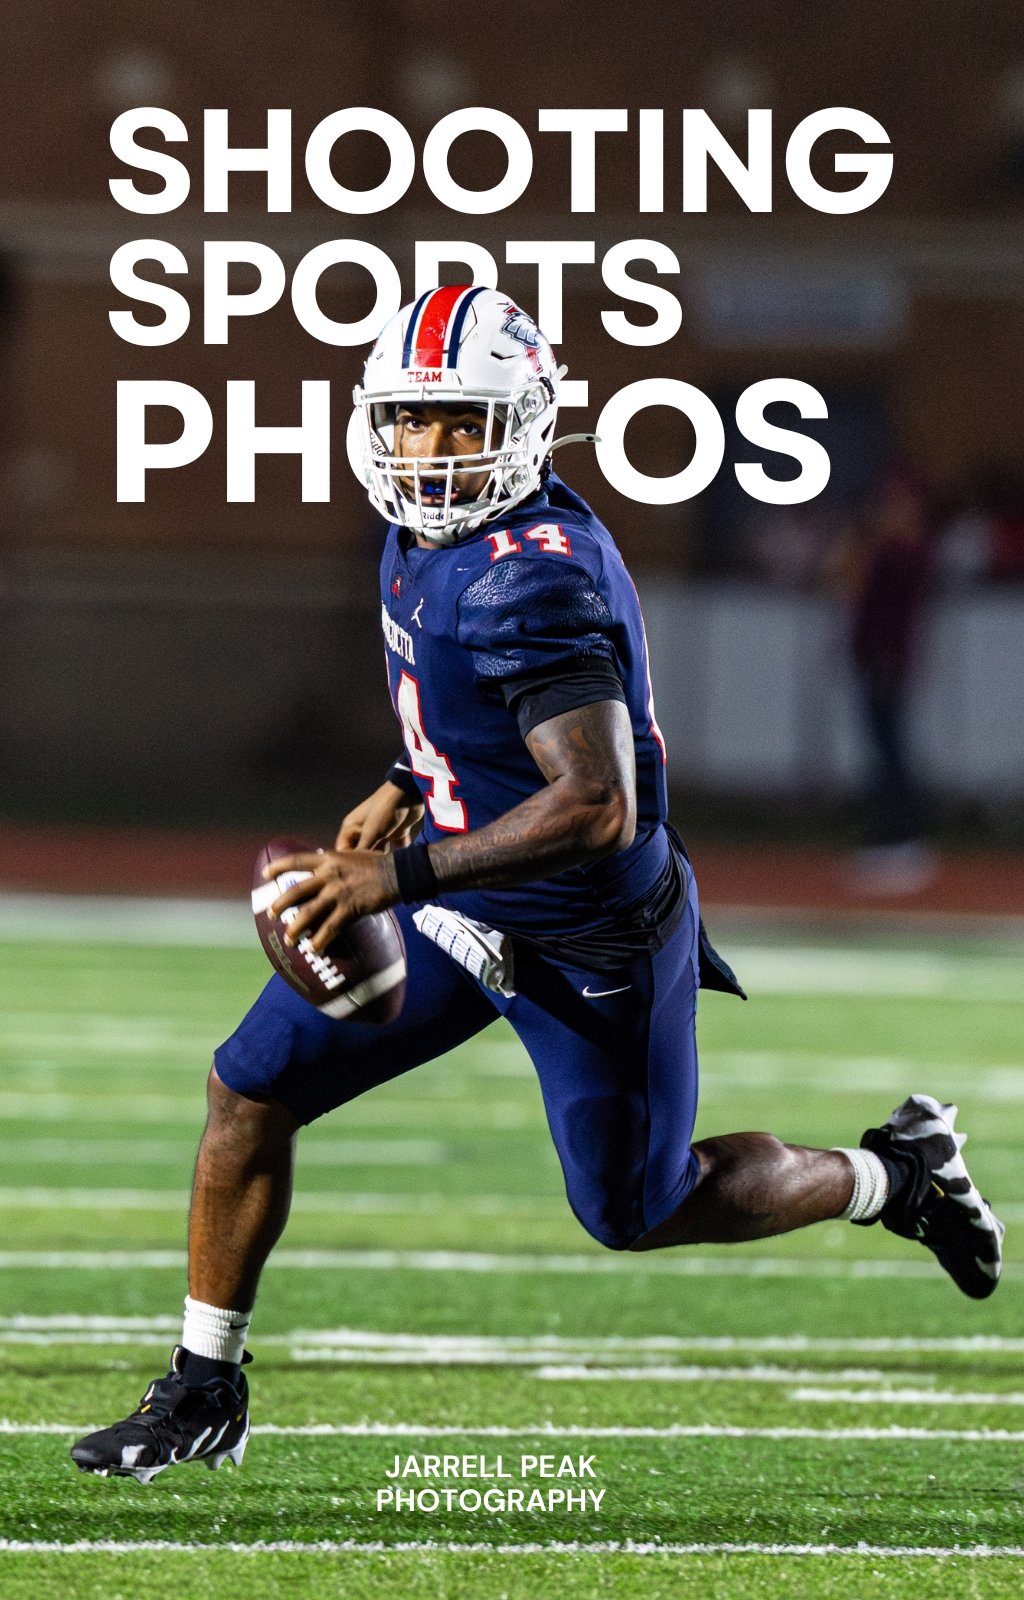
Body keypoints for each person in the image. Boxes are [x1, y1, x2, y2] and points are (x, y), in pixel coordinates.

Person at [71, 288, 1004, 1485]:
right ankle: (205, 1386)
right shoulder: (426, 535)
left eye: (460, 423)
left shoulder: (531, 579)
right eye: (410, 421)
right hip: (464, 903)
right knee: (248, 1089)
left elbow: (592, 803)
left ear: (522, 423)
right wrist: (414, 777)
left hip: (584, 934)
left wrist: (392, 872)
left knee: (637, 1207)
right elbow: (477, 711)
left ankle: (896, 1174)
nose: (429, 451)